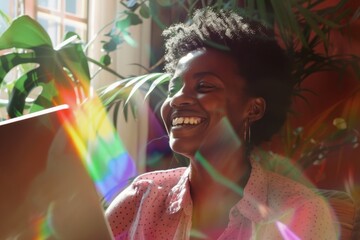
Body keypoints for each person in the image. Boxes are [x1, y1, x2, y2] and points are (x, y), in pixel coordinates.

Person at [106, 8, 338, 239]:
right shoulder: (143, 197)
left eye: (204, 86)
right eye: (173, 89)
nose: (176, 99)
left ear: (253, 109)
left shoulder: (299, 211)